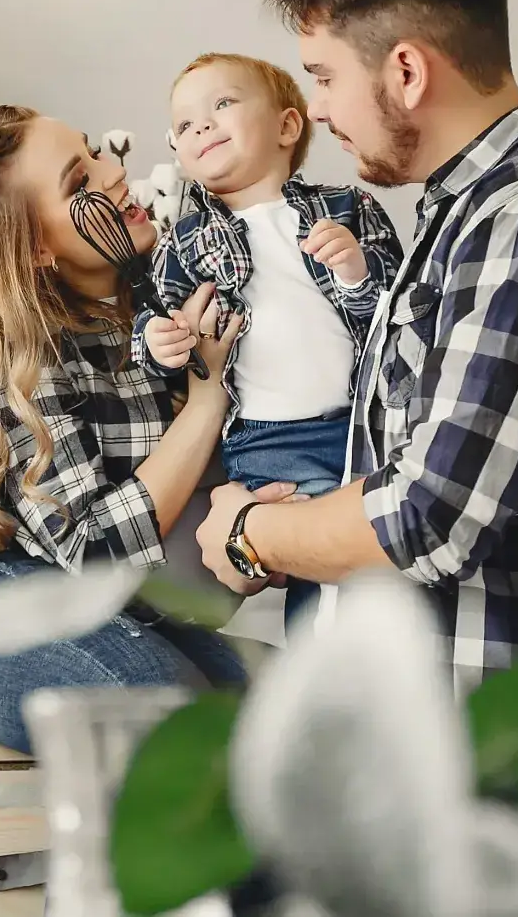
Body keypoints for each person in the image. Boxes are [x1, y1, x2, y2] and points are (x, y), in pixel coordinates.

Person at [196, 0, 518, 688]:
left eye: (325, 76)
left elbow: (429, 515)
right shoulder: (466, 215)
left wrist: (252, 532)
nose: (317, 109)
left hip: (506, 745)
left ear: (405, 72)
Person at [0, 104, 271, 756]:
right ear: (38, 248)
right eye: (79, 181)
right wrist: (206, 402)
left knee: (290, 721)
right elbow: (94, 551)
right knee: (173, 721)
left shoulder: (169, 322)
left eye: (97, 152)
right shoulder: (27, 358)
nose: (113, 172)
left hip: (117, 614)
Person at [134, 53, 403, 632]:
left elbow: (398, 318)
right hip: (270, 440)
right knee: (318, 562)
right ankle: (322, 677)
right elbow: (154, 324)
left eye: (222, 104)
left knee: (382, 558)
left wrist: (356, 272)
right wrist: (159, 342)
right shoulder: (182, 242)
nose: (201, 126)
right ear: (179, 153)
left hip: (363, 424)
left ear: (286, 126)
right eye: (184, 125)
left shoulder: (347, 208)